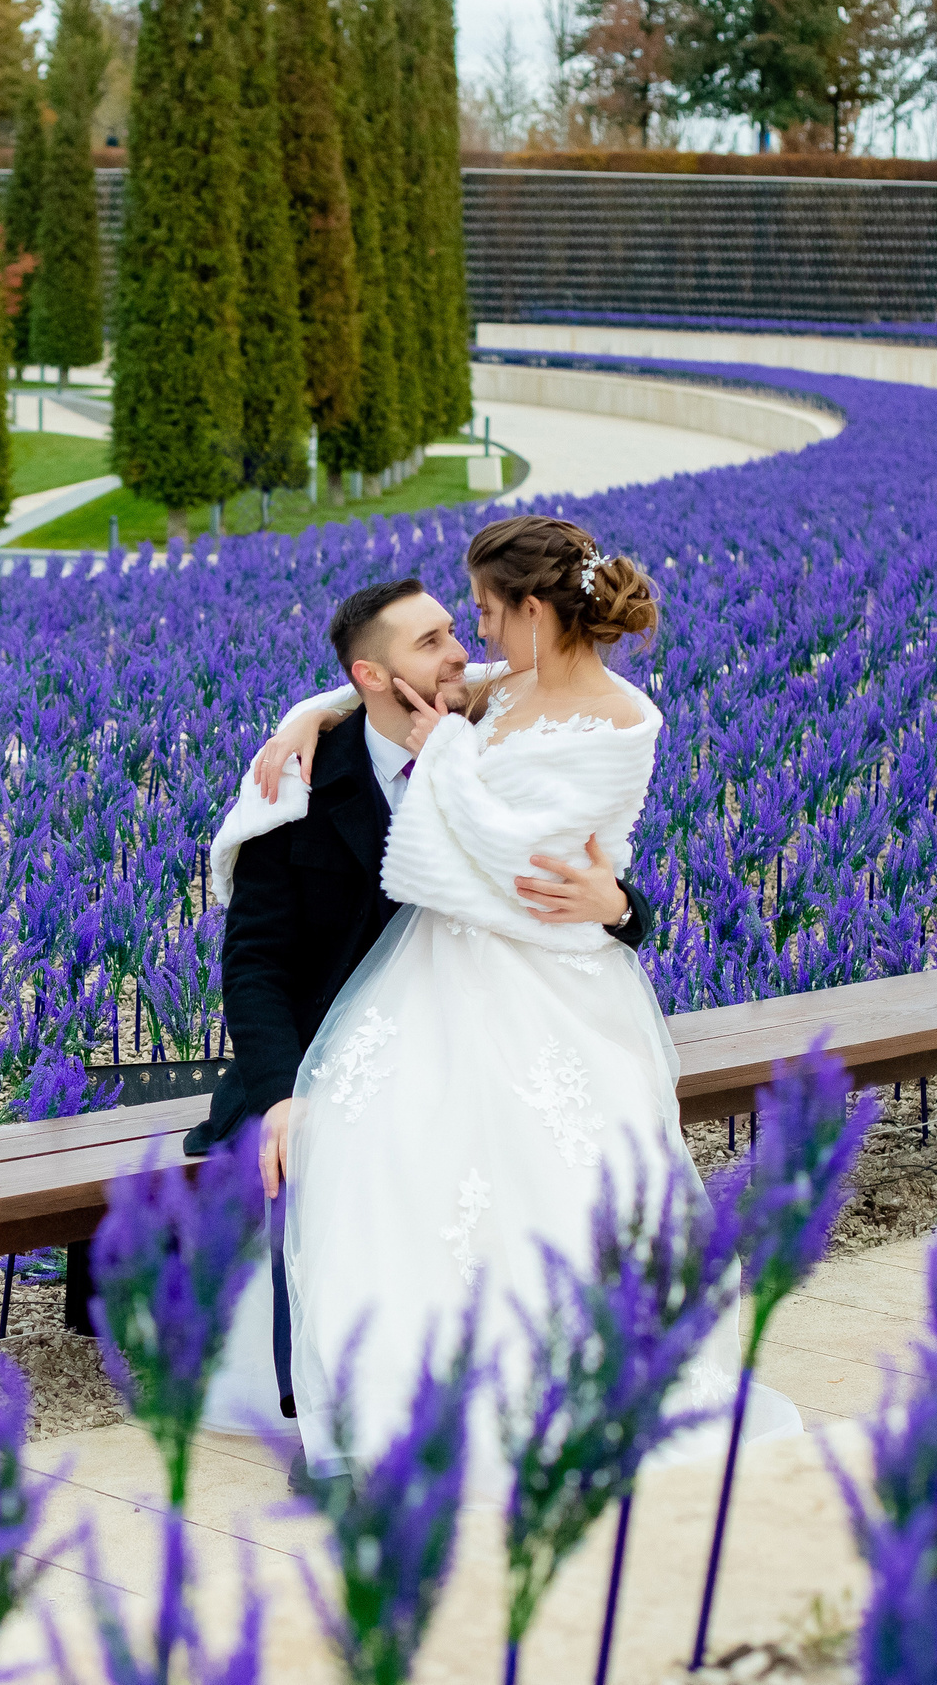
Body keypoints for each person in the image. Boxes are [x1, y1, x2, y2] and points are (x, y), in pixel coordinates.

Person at [188, 564, 658, 1438]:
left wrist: (623, 909)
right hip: (335, 1050)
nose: (464, 654)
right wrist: (285, 1093)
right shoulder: (295, 786)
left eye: (460, 627)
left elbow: (582, 866)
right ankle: (340, 1409)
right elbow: (253, 968)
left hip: (485, 1023)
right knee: (344, 1148)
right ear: (374, 678)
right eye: (433, 641)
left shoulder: (488, 724)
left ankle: (525, 1379)